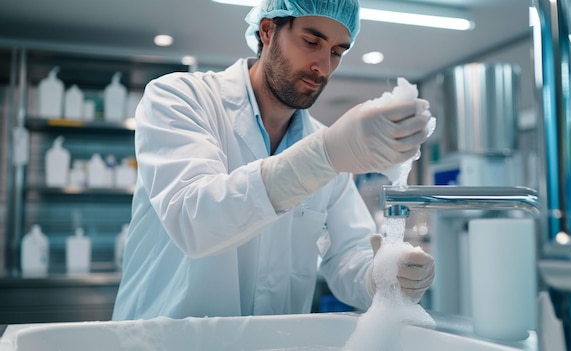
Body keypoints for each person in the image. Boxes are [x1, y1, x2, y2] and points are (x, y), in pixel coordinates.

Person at [112, 0, 435, 320]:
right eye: (311, 42)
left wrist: (381, 277)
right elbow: (195, 220)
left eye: (337, 52)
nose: (323, 67)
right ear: (268, 30)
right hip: (168, 341)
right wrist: (323, 156)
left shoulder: (327, 145)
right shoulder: (181, 98)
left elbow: (348, 253)